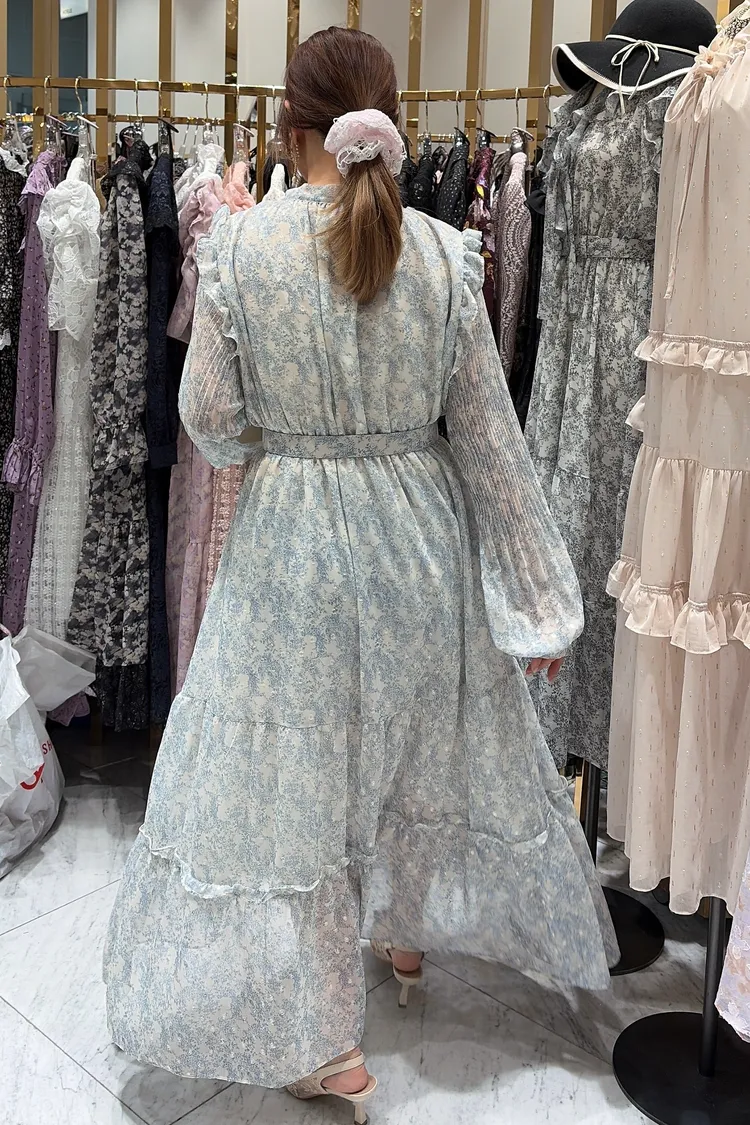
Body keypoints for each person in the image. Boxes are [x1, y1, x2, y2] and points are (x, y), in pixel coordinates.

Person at [103, 27, 618, 1121]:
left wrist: (289, 442)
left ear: (290, 127)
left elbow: (210, 419)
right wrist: (540, 599)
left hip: (293, 549)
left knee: (303, 784)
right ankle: (406, 940)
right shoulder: (446, 252)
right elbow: (491, 442)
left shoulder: (242, 249)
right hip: (420, 542)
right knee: (409, 743)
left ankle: (330, 1044)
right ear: (394, 122)